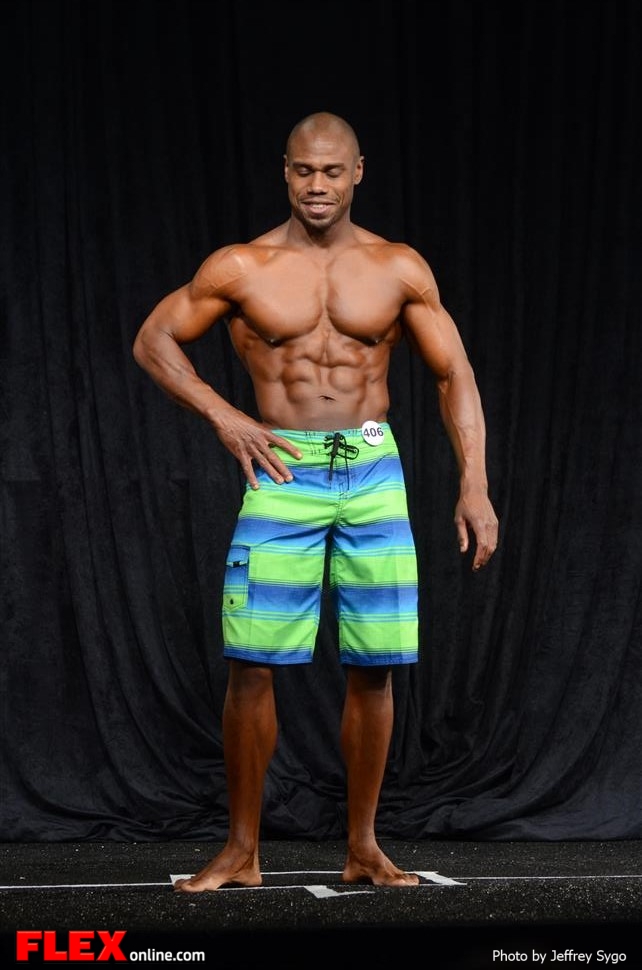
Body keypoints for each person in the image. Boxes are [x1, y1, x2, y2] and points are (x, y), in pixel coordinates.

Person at [133, 111, 499, 891]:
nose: (318, 185)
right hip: (284, 466)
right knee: (252, 663)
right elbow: (154, 340)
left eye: (332, 171)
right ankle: (241, 851)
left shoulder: (398, 267)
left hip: (372, 467)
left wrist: (474, 482)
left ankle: (364, 847)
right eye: (304, 170)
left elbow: (453, 373)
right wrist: (224, 414)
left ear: (357, 172)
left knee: (376, 664)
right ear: (286, 172)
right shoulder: (242, 265)